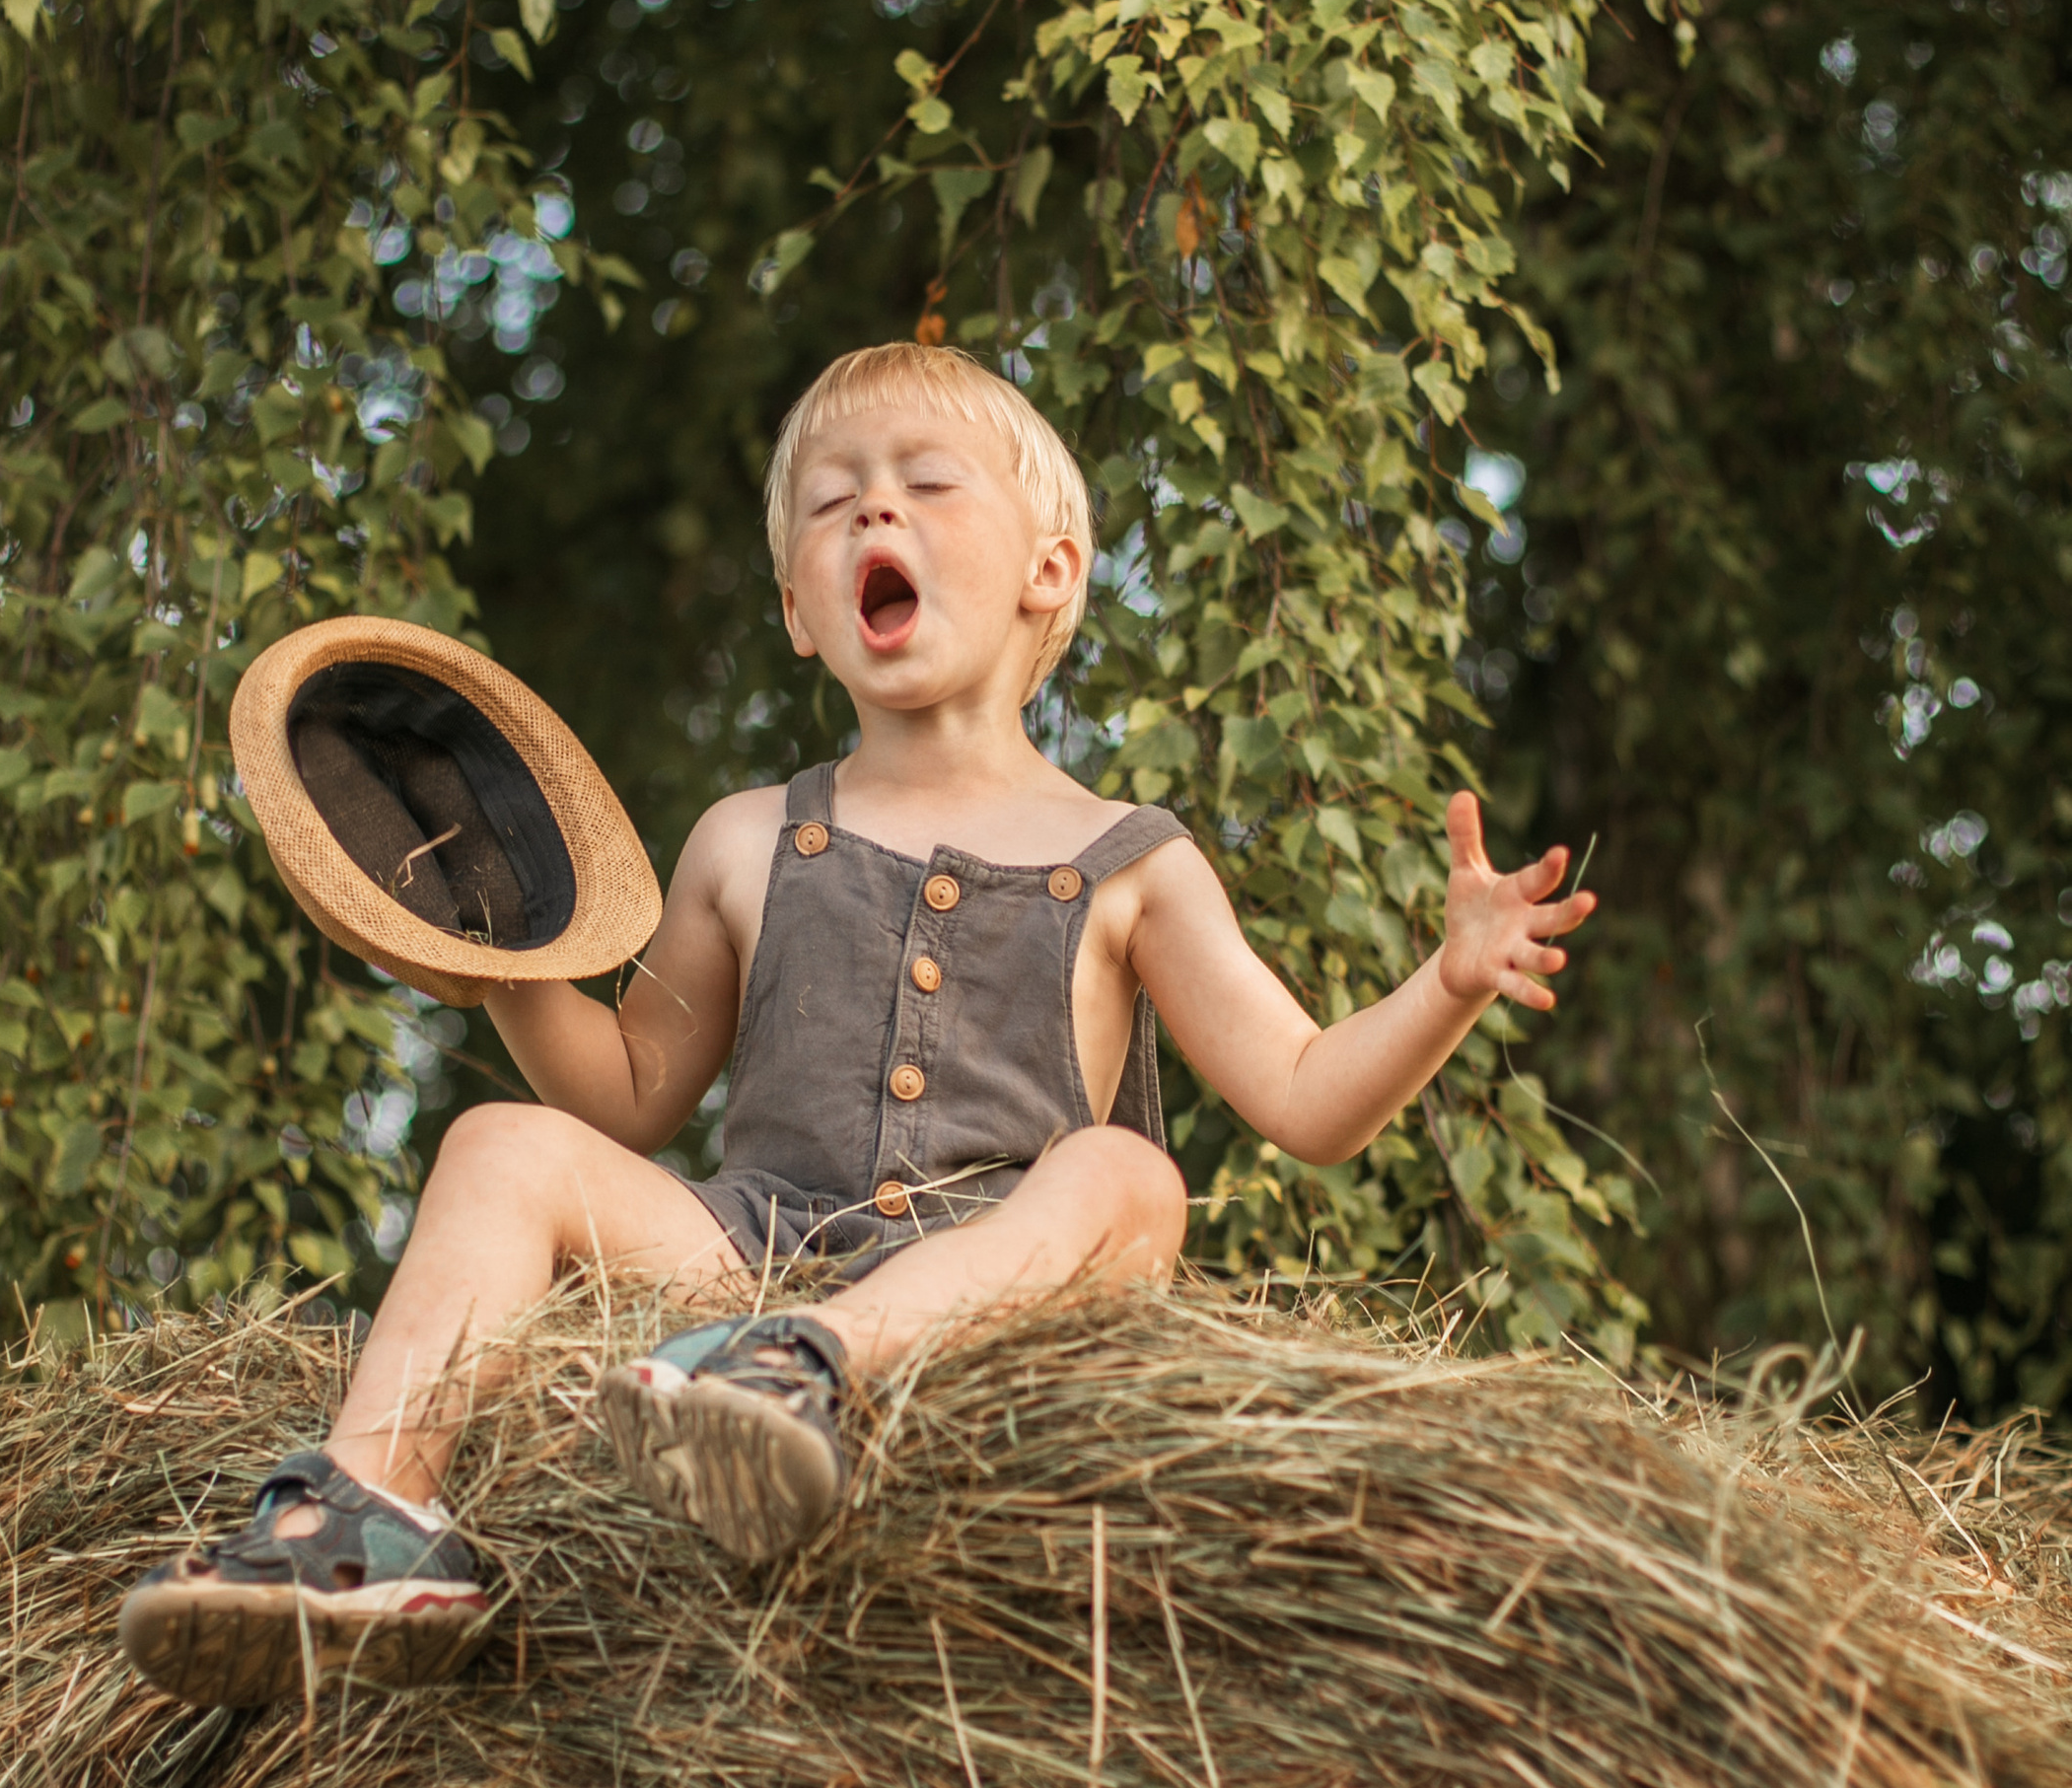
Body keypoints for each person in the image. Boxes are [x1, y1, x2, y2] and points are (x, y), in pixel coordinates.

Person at [118, 341, 1595, 1707]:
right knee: (504, 1143)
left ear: (1051, 569)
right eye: (831, 506)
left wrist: (1449, 980)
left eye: (924, 485)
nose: (871, 513)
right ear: (800, 615)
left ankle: (803, 1367)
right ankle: (372, 1517)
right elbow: (625, 1103)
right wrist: (505, 959)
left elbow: (1309, 1097)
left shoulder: (1135, 861)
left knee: (1130, 1175)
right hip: (752, 1247)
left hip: (998, 1280)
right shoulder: (746, 841)